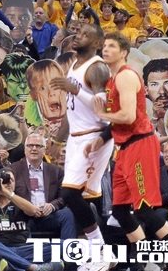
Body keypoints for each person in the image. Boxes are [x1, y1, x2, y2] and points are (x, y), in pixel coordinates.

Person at [93, 33, 168, 243]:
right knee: (120, 212)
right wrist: (102, 138)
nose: (106, 49)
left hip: (140, 144)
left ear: (124, 52)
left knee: (144, 209)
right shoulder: (111, 80)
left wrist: (102, 114)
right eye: (104, 46)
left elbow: (128, 117)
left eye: (112, 46)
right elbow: (119, 121)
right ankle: (143, 256)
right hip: (124, 147)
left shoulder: (126, 76)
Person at [49, 23, 113, 271]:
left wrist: (75, 89)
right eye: (78, 32)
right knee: (81, 198)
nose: (78, 36)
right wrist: (58, 140)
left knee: (69, 194)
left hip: (95, 137)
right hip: (77, 138)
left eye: (86, 35)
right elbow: (71, 110)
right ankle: (96, 255)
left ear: (97, 43)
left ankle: (102, 252)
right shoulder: (74, 65)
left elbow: (103, 108)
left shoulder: (97, 68)